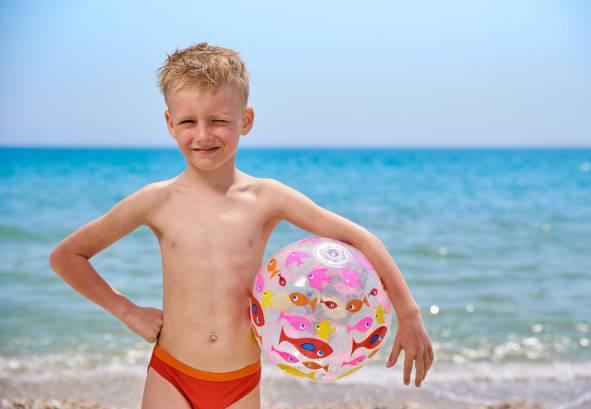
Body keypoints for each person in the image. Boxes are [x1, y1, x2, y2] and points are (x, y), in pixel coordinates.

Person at [49, 42, 434, 409]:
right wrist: (128, 312)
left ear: (245, 120)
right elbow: (68, 256)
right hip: (172, 372)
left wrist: (409, 313)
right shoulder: (156, 201)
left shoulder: (266, 197)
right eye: (188, 121)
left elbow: (359, 238)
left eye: (218, 120)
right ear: (169, 124)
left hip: (241, 379)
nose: (202, 134)